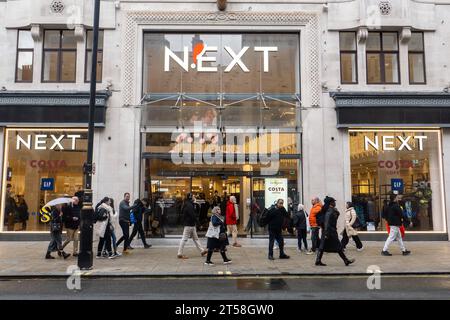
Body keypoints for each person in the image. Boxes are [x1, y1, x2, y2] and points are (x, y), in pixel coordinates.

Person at [315, 197, 355, 266]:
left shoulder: (330, 210)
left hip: (327, 231)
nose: (335, 203)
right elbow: (327, 222)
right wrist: (327, 233)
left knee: (322, 246)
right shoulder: (330, 211)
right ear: (331, 203)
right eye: (334, 201)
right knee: (338, 246)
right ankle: (346, 260)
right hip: (330, 232)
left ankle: (318, 260)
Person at [177, 193, 208, 259]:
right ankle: (179, 253)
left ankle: (202, 251)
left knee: (195, 239)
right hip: (189, 224)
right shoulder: (189, 205)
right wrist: (199, 224)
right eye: (194, 196)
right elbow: (193, 215)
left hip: (191, 224)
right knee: (184, 239)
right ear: (191, 197)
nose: (195, 197)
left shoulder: (188, 204)